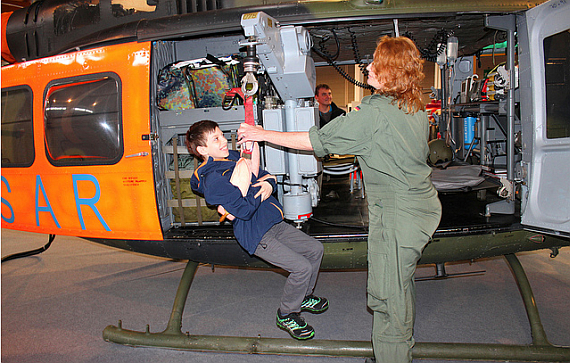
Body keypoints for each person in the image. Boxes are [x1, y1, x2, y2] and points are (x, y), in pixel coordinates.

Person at [238, 36, 442, 362]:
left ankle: (393, 355)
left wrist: (260, 134)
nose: (368, 67)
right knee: (401, 286)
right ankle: (398, 346)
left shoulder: (373, 115)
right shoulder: (413, 105)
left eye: (377, 64)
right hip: (422, 209)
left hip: (398, 218)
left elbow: (314, 140)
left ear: (391, 73)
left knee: (388, 299)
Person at [185, 120, 329, 340]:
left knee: (315, 250)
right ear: (202, 150)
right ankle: (287, 313)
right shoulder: (212, 179)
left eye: (222, 135)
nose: (224, 140)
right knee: (301, 268)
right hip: (256, 233)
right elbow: (243, 211)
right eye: (216, 139)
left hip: (273, 222)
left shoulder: (233, 157)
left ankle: (303, 295)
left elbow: (265, 175)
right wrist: (262, 190)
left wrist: (268, 183)